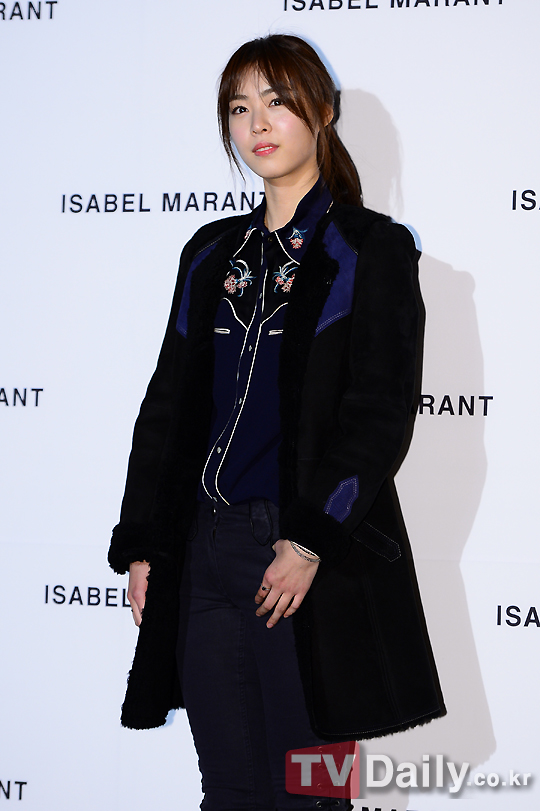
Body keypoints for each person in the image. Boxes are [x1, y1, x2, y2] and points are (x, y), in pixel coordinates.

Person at [108, 34, 446, 811]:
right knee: (228, 790)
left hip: (302, 557)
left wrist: (308, 540)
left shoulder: (371, 249)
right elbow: (166, 408)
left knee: (311, 795)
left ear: (321, 112)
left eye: (277, 101)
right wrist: (147, 542)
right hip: (205, 550)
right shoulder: (209, 253)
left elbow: (379, 413)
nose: (257, 123)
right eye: (239, 107)